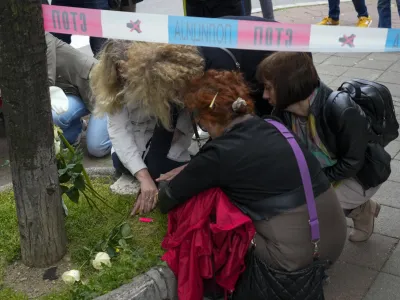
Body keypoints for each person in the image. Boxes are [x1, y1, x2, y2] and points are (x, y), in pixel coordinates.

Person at [157, 70, 346, 278]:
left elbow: (168, 198)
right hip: (332, 241)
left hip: (290, 260)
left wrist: (163, 184)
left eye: (199, 120)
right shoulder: (274, 126)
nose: (201, 126)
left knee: (210, 207)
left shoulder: (219, 154)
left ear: (208, 118)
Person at [257, 52, 388, 242]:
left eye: (269, 88)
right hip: (323, 170)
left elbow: (352, 163)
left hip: (360, 176)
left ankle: (361, 210)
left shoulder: (342, 110)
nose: (264, 95)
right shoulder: (282, 112)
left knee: (307, 206)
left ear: (288, 86)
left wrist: (314, 183)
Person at [90, 40, 200, 215]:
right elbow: (119, 131)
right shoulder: (113, 85)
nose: (127, 81)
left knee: (163, 167)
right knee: (121, 160)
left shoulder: (163, 76)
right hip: (137, 138)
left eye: (131, 74)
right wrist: (143, 176)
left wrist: (151, 174)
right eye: (122, 76)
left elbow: (175, 129)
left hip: (169, 138)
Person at [46, 33, 111, 158]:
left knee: (97, 148)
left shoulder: (43, 39)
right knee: (55, 117)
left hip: (99, 90)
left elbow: (47, 82)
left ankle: (122, 127)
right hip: (73, 93)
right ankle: (77, 128)